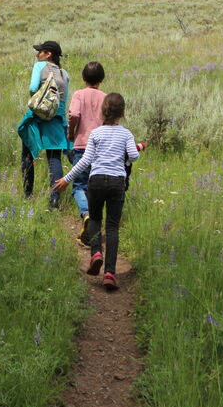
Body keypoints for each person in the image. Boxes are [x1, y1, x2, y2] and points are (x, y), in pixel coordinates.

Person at [54, 92, 143, 290]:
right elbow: (134, 157)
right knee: (112, 227)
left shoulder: (96, 133)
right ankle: (110, 273)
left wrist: (66, 179)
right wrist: (133, 152)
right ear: (122, 113)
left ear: (103, 112)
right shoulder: (126, 134)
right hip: (117, 182)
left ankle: (95, 253)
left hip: (96, 181)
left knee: (94, 219)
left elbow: (85, 161)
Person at [17, 40, 70, 208]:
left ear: (48, 54)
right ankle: (54, 199)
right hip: (56, 117)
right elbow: (64, 99)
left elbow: (33, 88)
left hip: (37, 115)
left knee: (28, 153)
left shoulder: (40, 66)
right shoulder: (65, 73)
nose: (37, 54)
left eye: (40, 51)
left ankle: (28, 194)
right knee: (54, 158)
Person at [67, 61, 106, 243]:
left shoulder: (78, 94)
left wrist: (71, 132)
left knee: (78, 187)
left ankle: (86, 214)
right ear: (102, 79)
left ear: (83, 78)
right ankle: (93, 227)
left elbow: (74, 115)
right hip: (101, 149)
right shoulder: (105, 97)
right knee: (94, 188)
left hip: (82, 146)